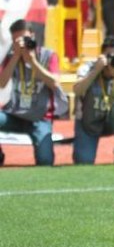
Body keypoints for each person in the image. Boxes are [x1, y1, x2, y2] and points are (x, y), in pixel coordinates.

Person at [0, 20, 64, 167]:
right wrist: (16, 56)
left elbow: (55, 84)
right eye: (17, 40)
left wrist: (33, 62)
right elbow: (2, 84)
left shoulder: (48, 55)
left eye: (26, 39)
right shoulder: (11, 57)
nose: (23, 43)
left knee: (45, 161)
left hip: (40, 117)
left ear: (33, 36)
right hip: (16, 114)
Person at [72, 37, 114, 165]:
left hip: (112, 121)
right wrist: (95, 71)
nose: (113, 61)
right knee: (83, 161)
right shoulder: (88, 67)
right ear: (102, 56)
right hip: (89, 123)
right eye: (110, 56)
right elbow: (77, 90)